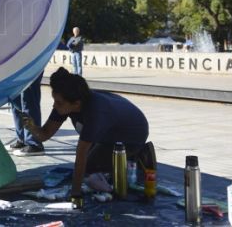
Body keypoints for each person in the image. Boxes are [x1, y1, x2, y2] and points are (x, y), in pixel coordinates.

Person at [22, 67, 151, 200]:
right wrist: (32, 127)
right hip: (109, 131)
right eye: (54, 101)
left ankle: (137, 155)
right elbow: (44, 135)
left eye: (58, 102)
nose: (55, 106)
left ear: (76, 104)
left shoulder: (95, 111)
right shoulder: (66, 103)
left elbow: (81, 154)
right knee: (90, 167)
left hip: (133, 134)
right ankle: (120, 160)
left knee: (89, 168)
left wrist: (76, 194)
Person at [7, 71, 45, 156]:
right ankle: (22, 139)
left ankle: (34, 143)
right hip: (17, 64)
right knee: (16, 98)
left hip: (30, 64)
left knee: (29, 98)